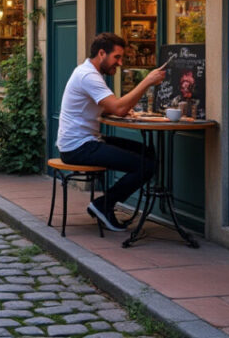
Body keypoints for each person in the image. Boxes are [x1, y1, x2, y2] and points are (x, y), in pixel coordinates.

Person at [56, 32, 164, 232]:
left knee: (147, 152)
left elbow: (103, 106)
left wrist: (115, 109)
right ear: (101, 53)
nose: (120, 63)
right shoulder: (88, 76)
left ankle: (106, 204)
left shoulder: (89, 72)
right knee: (146, 165)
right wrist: (147, 81)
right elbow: (118, 108)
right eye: (117, 57)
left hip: (85, 141)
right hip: (78, 147)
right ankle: (104, 205)